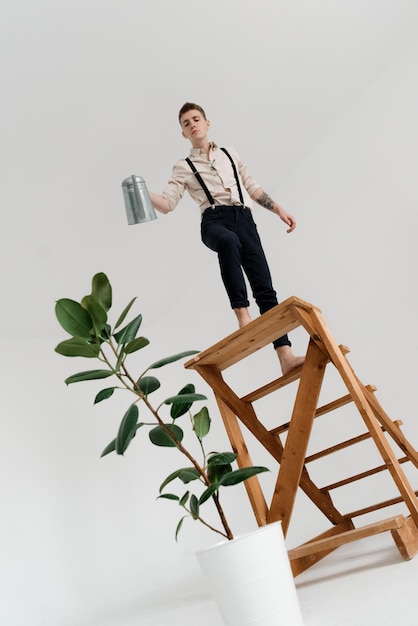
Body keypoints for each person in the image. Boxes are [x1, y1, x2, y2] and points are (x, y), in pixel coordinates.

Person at [149, 102, 304, 375]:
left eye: (196, 119)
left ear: (207, 123)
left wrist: (280, 210)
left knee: (265, 288)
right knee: (228, 243)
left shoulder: (229, 154)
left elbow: (252, 187)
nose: (192, 124)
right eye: (186, 123)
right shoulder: (183, 167)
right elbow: (167, 203)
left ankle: (286, 357)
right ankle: (244, 318)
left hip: (245, 219)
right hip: (214, 222)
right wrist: (141, 191)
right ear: (183, 134)